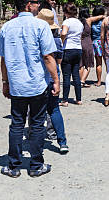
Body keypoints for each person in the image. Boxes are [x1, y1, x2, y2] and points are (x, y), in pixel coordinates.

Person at [0, 0, 60, 178]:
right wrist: (56, 80)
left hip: (17, 86)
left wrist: (5, 82)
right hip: (37, 85)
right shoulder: (41, 26)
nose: (38, 5)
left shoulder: (7, 27)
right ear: (28, 5)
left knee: (17, 124)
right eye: (36, 2)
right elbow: (48, 56)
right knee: (37, 124)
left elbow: (3, 59)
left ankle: (13, 166)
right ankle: (35, 165)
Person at [36, 8, 68, 153]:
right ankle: (62, 142)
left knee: (35, 111)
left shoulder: (35, 38)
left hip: (38, 77)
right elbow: (59, 60)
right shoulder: (57, 40)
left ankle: (35, 142)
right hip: (54, 76)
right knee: (54, 109)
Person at [60, 1, 83, 106]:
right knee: (76, 75)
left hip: (68, 49)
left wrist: (61, 40)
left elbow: (64, 33)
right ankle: (78, 99)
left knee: (66, 76)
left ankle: (65, 100)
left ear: (65, 12)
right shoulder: (80, 23)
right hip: (78, 49)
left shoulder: (66, 22)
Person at [78, 7, 105, 87]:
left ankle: (81, 80)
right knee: (99, 63)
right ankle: (99, 81)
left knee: (81, 63)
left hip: (90, 43)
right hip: (98, 43)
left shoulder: (80, 22)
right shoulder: (92, 21)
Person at [91, 5, 106, 87]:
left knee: (98, 63)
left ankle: (99, 81)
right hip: (104, 42)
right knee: (108, 63)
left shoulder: (92, 21)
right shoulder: (105, 21)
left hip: (95, 43)